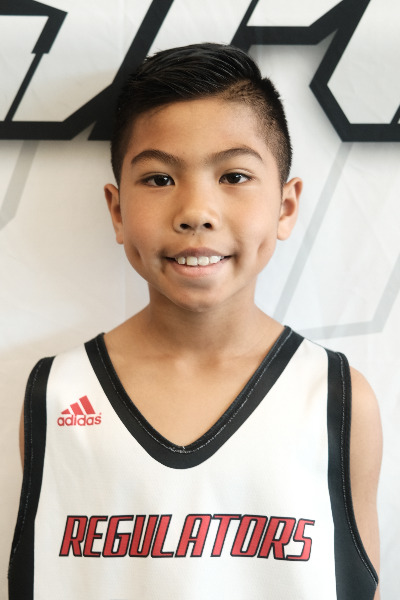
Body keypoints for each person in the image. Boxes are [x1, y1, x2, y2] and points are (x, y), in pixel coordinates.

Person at [9, 43, 382, 600]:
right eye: (160, 179)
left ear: (285, 206)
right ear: (117, 210)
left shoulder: (338, 399)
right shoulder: (57, 395)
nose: (196, 212)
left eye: (234, 175)